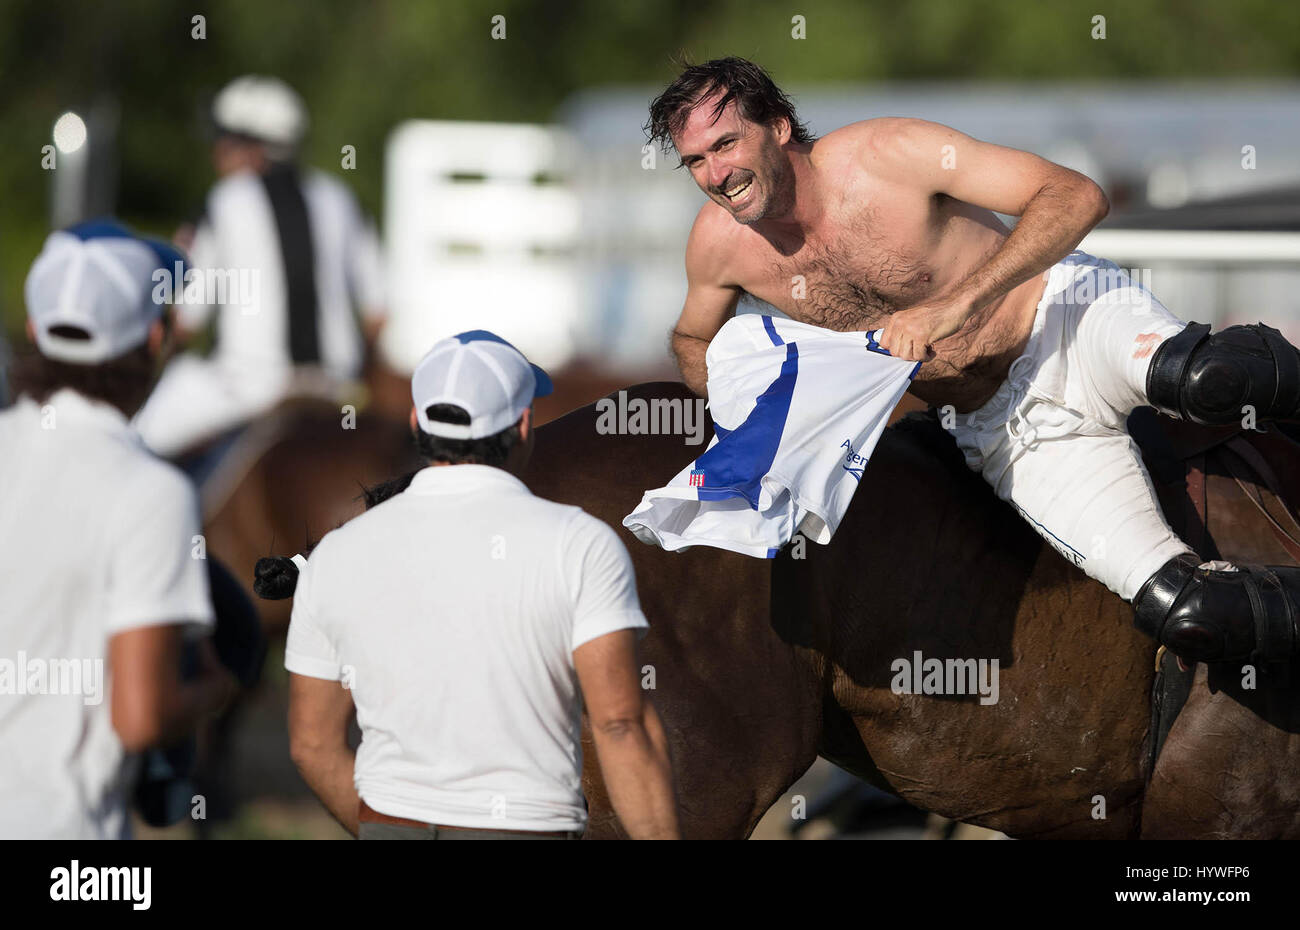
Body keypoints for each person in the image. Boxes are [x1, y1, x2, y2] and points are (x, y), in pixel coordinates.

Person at [648, 56, 1300, 664]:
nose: (715, 175)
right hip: (1002, 427)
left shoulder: (890, 153)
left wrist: (954, 306)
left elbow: (1074, 195)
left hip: (1067, 315)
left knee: (1211, 378)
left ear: (779, 127)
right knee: (1190, 611)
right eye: (695, 161)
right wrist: (749, 404)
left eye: (726, 144)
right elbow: (691, 339)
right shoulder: (718, 246)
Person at [284, 330, 681, 839]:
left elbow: (311, 746)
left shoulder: (336, 553)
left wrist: (388, 829)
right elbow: (620, 725)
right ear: (522, 425)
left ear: (417, 423)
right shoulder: (580, 544)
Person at [0, 221, 236, 838]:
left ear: (34, 332)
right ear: (156, 337)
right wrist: (218, 684)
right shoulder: (151, 491)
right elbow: (141, 717)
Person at [133, 75, 386, 458]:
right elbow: (378, 314)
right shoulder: (340, 198)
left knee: (137, 441)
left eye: (226, 141)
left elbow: (186, 320)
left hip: (248, 390)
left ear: (253, 148)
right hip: (337, 388)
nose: (217, 153)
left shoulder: (225, 200)